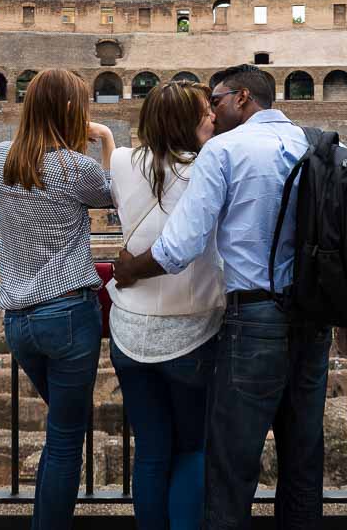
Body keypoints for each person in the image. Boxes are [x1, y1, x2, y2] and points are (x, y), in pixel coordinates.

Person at [114, 63, 333, 530]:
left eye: (215, 100)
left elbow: (179, 248)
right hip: (314, 318)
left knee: (232, 464)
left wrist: (130, 267)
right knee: (303, 458)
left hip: (254, 318)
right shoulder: (314, 142)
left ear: (241, 99)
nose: (211, 112)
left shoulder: (224, 150)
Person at [0, 68, 116, 530]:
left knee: (59, 427)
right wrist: (107, 140)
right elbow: (116, 197)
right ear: (74, 112)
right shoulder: (77, 167)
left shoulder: (0, 158)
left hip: (18, 318)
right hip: (69, 316)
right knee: (64, 440)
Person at [106, 81, 224, 530]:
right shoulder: (208, 170)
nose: (212, 117)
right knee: (193, 448)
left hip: (129, 329)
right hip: (193, 329)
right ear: (185, 122)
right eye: (203, 114)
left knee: (152, 452)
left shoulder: (120, 162)